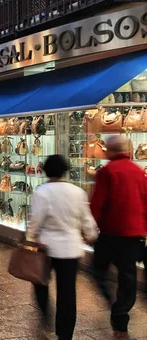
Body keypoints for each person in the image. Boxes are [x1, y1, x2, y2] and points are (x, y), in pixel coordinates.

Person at [26, 155, 98, 340]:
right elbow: (86, 218)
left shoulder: (42, 192)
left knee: (40, 283)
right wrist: (90, 235)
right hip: (71, 249)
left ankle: (46, 316)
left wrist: (30, 238)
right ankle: (65, 333)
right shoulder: (77, 192)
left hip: (47, 248)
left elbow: (35, 220)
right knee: (67, 293)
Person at [90, 135, 147, 333]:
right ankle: (121, 312)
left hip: (111, 232)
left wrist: (91, 227)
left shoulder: (107, 172)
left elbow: (98, 203)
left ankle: (112, 300)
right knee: (128, 275)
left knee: (98, 269)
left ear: (110, 150)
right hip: (133, 234)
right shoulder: (139, 172)